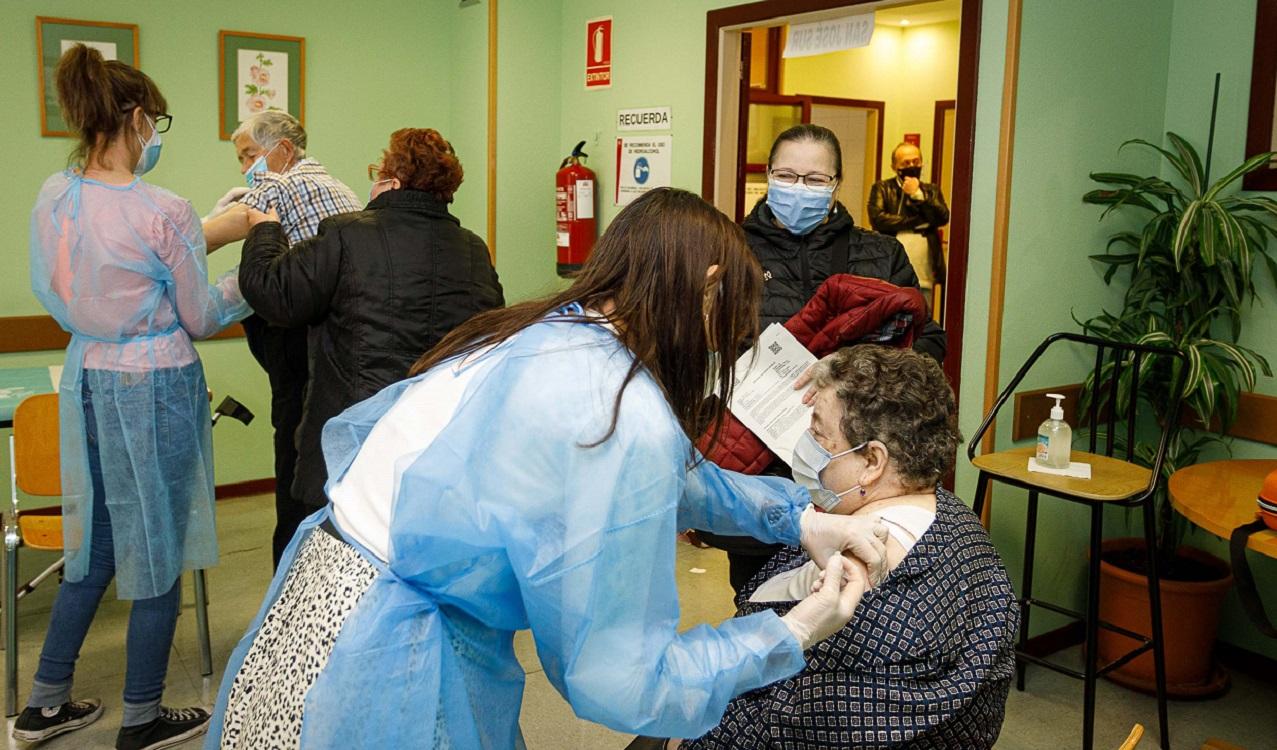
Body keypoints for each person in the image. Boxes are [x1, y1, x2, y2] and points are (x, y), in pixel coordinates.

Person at [203, 188, 894, 749]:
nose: (727, 343)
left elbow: (665, 479)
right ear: (707, 287)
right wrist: (791, 631)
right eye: (731, 319)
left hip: (318, 612)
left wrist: (794, 516)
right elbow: (619, 681)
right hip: (389, 664)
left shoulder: (548, 331)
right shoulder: (614, 410)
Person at [16, 44, 251, 750]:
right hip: (155, 386)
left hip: (87, 376)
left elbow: (66, 287)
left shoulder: (56, 197)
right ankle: (142, 717)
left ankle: (44, 705)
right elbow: (199, 315)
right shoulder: (167, 209)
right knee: (158, 548)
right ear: (140, 119)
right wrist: (248, 277)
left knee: (99, 544)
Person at [670, 346, 1017, 749]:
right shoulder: (957, 521)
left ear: (872, 460)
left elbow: (762, 724)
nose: (804, 444)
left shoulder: (853, 596)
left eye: (818, 433)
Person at [699, 124, 947, 595]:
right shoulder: (729, 252)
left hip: (853, 470)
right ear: (768, 176)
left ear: (836, 183)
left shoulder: (880, 253)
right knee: (761, 598)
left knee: (854, 596)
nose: (799, 188)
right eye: (787, 175)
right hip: (760, 465)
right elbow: (697, 344)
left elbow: (928, 342)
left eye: (815, 179)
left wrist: (855, 374)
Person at [237, 127, 504, 513]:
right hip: (439, 439)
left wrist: (265, 231)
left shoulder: (348, 234)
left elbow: (274, 294)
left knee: (349, 548)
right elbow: (489, 333)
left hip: (356, 438)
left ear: (391, 182)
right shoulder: (473, 250)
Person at [202, 111, 362, 567]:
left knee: (292, 463)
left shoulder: (277, 185)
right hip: (339, 345)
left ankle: (286, 586)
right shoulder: (340, 188)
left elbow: (205, 241)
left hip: (296, 341)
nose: (245, 169)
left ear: (283, 151)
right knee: (324, 462)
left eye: (250, 155)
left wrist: (174, 235)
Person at [868, 142, 951, 305]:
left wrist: (918, 195)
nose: (912, 166)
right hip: (890, 269)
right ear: (894, 166)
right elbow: (878, 220)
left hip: (924, 272)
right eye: (906, 163)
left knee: (921, 315)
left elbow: (942, 217)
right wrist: (917, 222)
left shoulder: (931, 190)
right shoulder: (882, 188)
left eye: (916, 161)